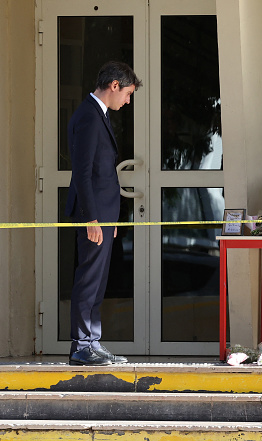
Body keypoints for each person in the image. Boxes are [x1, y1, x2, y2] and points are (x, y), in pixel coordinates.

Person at [65, 61, 142, 366]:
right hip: (94, 216)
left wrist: (109, 220)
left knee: (98, 281)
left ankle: (92, 342)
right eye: (127, 93)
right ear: (114, 85)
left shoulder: (99, 115)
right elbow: (83, 173)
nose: (128, 99)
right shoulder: (88, 116)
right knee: (88, 279)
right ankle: (81, 345)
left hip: (104, 216)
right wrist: (92, 218)